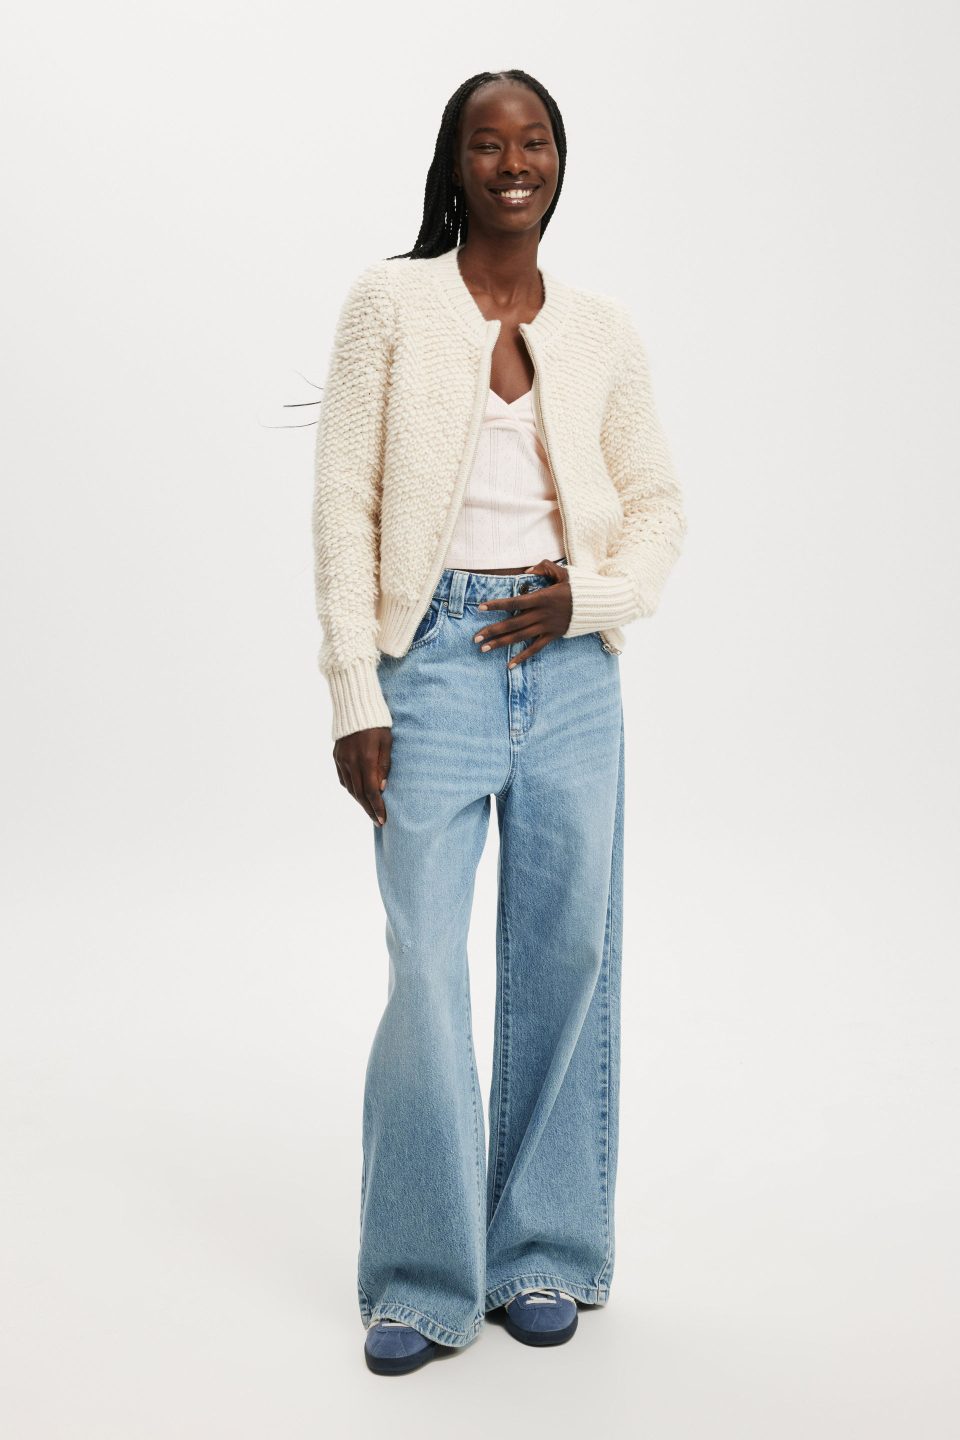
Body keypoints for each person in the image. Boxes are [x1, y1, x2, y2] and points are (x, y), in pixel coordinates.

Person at [311, 69, 686, 1377]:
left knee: (567, 952)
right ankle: (422, 1277)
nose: (513, 161)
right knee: (425, 964)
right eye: (489, 142)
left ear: (559, 163)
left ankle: (544, 1251)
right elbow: (343, 504)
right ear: (455, 164)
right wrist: (355, 689)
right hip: (433, 664)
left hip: (572, 668)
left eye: (534, 141)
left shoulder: (602, 329)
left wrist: (595, 596)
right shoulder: (391, 303)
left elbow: (658, 503)